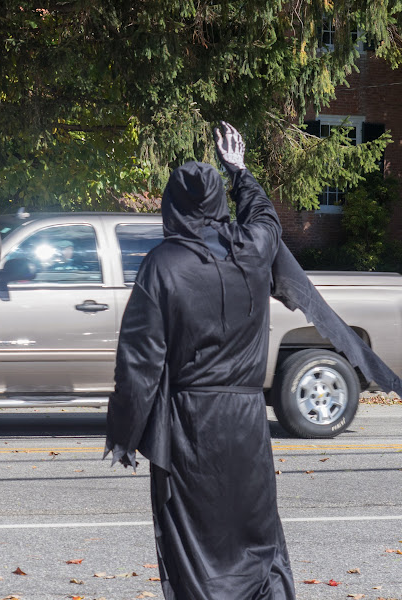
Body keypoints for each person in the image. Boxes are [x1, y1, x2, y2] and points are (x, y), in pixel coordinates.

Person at [105, 122, 296, 599]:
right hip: (249, 425)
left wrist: (126, 435)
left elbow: (140, 362)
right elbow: (267, 219)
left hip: (192, 426)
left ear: (172, 206)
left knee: (196, 546)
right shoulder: (252, 251)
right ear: (217, 205)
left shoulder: (163, 265)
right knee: (255, 541)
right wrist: (240, 172)